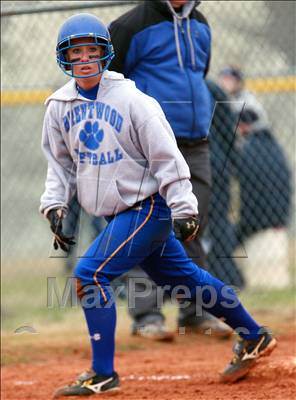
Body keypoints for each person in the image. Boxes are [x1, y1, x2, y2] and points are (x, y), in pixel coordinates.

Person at [40, 14, 277, 396]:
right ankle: (254, 335)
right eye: (76, 51)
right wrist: (55, 205)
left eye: (92, 50)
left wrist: (184, 207)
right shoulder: (58, 106)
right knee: (183, 278)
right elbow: (61, 165)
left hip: (147, 206)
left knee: (90, 276)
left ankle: (103, 374)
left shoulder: (134, 100)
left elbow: (167, 157)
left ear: (106, 54)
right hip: (114, 212)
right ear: (63, 58)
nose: (84, 58)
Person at [108, 0, 232, 339]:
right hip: (146, 147)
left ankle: (195, 313)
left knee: (192, 224)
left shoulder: (201, 25)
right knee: (140, 228)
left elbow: (199, 75)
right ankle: (146, 317)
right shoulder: (129, 26)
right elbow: (105, 85)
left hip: (195, 143)